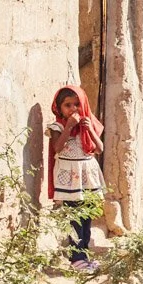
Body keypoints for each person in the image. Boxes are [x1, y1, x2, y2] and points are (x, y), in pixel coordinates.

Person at [46, 85, 105, 267]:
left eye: (77, 104)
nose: (73, 109)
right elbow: (57, 148)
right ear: (59, 108)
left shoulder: (88, 125)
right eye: (68, 105)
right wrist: (69, 126)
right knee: (75, 218)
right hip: (70, 179)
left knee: (87, 217)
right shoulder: (57, 127)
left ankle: (84, 255)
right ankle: (75, 258)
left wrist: (89, 130)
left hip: (88, 175)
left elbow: (99, 149)